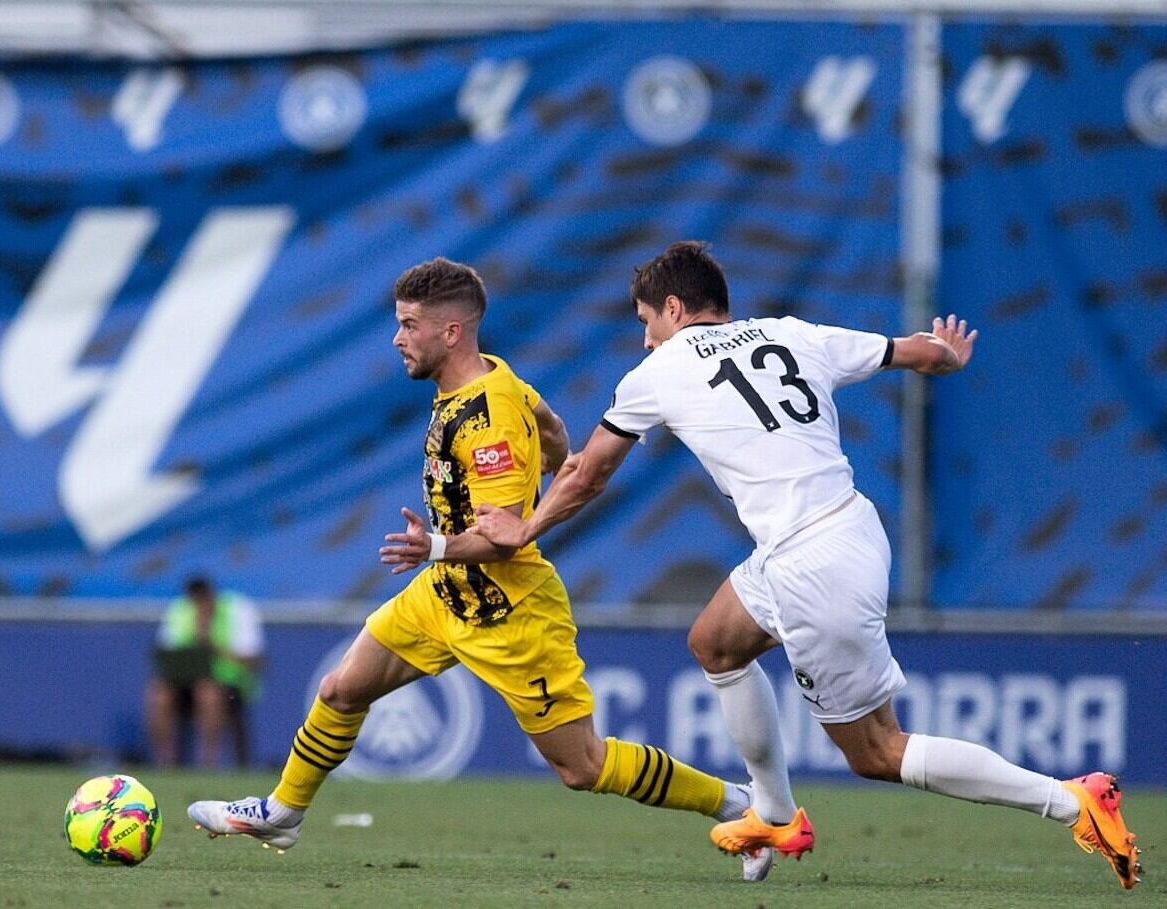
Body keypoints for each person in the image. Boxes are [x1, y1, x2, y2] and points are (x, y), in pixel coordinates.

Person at [472, 241, 1141, 890]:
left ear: (673, 309)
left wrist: (524, 527)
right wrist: (939, 354)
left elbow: (586, 473)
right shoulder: (791, 333)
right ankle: (772, 813)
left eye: (646, 323)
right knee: (716, 641)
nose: (645, 340)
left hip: (810, 564)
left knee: (877, 750)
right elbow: (906, 350)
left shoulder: (660, 368)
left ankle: (1069, 801)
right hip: (843, 525)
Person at [187, 256, 765, 876]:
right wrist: (555, 464)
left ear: (451, 332)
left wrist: (433, 546)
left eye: (409, 325)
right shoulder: (492, 381)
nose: (397, 338)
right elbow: (551, 425)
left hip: (511, 611)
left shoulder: (485, 421)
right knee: (341, 689)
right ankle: (283, 812)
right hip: (444, 595)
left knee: (583, 767)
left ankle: (738, 804)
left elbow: (504, 542)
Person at [146, 575, 264, 768]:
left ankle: (207, 762)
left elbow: (254, 660)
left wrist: (211, 645)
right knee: (159, 693)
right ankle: (164, 762)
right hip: (184, 683)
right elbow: (166, 653)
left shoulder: (238, 608)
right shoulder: (180, 610)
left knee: (207, 692)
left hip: (230, 685)